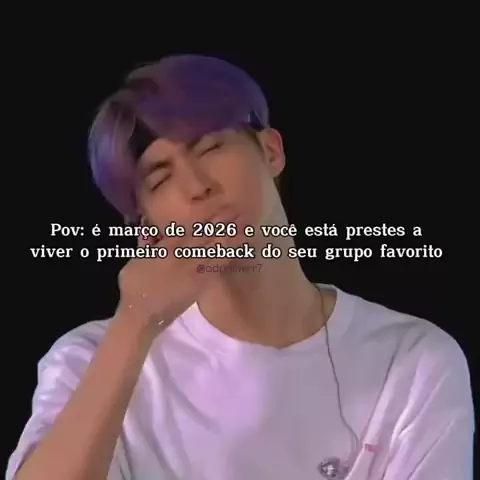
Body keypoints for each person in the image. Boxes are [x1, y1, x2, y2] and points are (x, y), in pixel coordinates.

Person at [9, 54, 473, 480]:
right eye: (161, 177)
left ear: (271, 151)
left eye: (210, 148)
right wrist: (134, 323)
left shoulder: (413, 361)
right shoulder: (89, 361)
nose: (197, 186)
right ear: (145, 225)